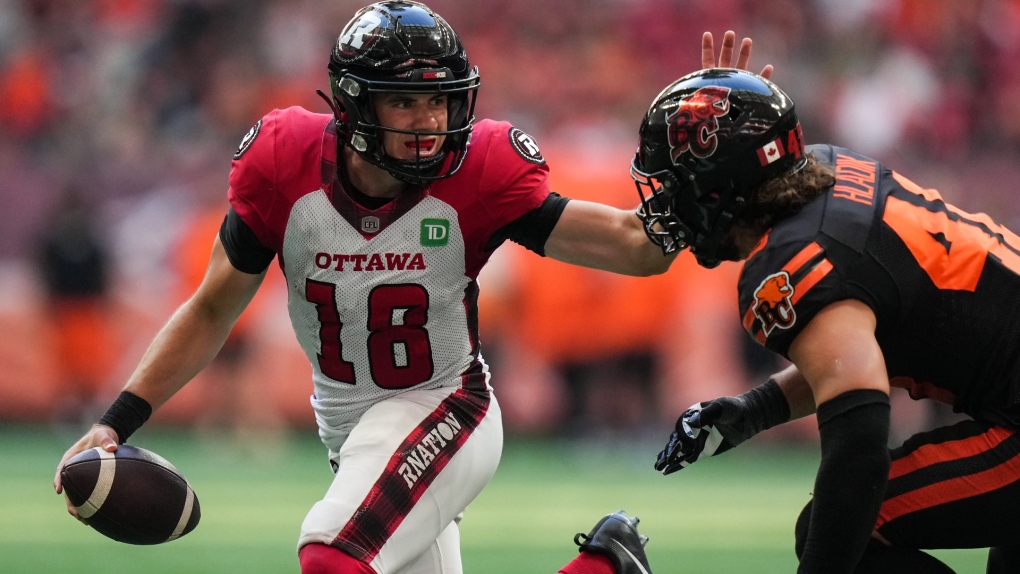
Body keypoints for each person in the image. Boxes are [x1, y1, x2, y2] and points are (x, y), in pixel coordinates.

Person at [53, 1, 766, 571]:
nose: (432, 123)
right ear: (357, 105)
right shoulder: (283, 165)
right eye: (408, 105)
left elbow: (632, 249)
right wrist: (116, 420)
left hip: (446, 405)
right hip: (347, 425)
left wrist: (698, 172)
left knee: (331, 554)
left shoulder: (479, 173)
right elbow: (211, 309)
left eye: (441, 103)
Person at [636, 67, 1020, 573]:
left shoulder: (794, 261)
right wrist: (756, 410)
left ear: (720, 188)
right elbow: (852, 348)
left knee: (843, 530)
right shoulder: (826, 177)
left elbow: (859, 453)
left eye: (676, 188)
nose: (667, 205)